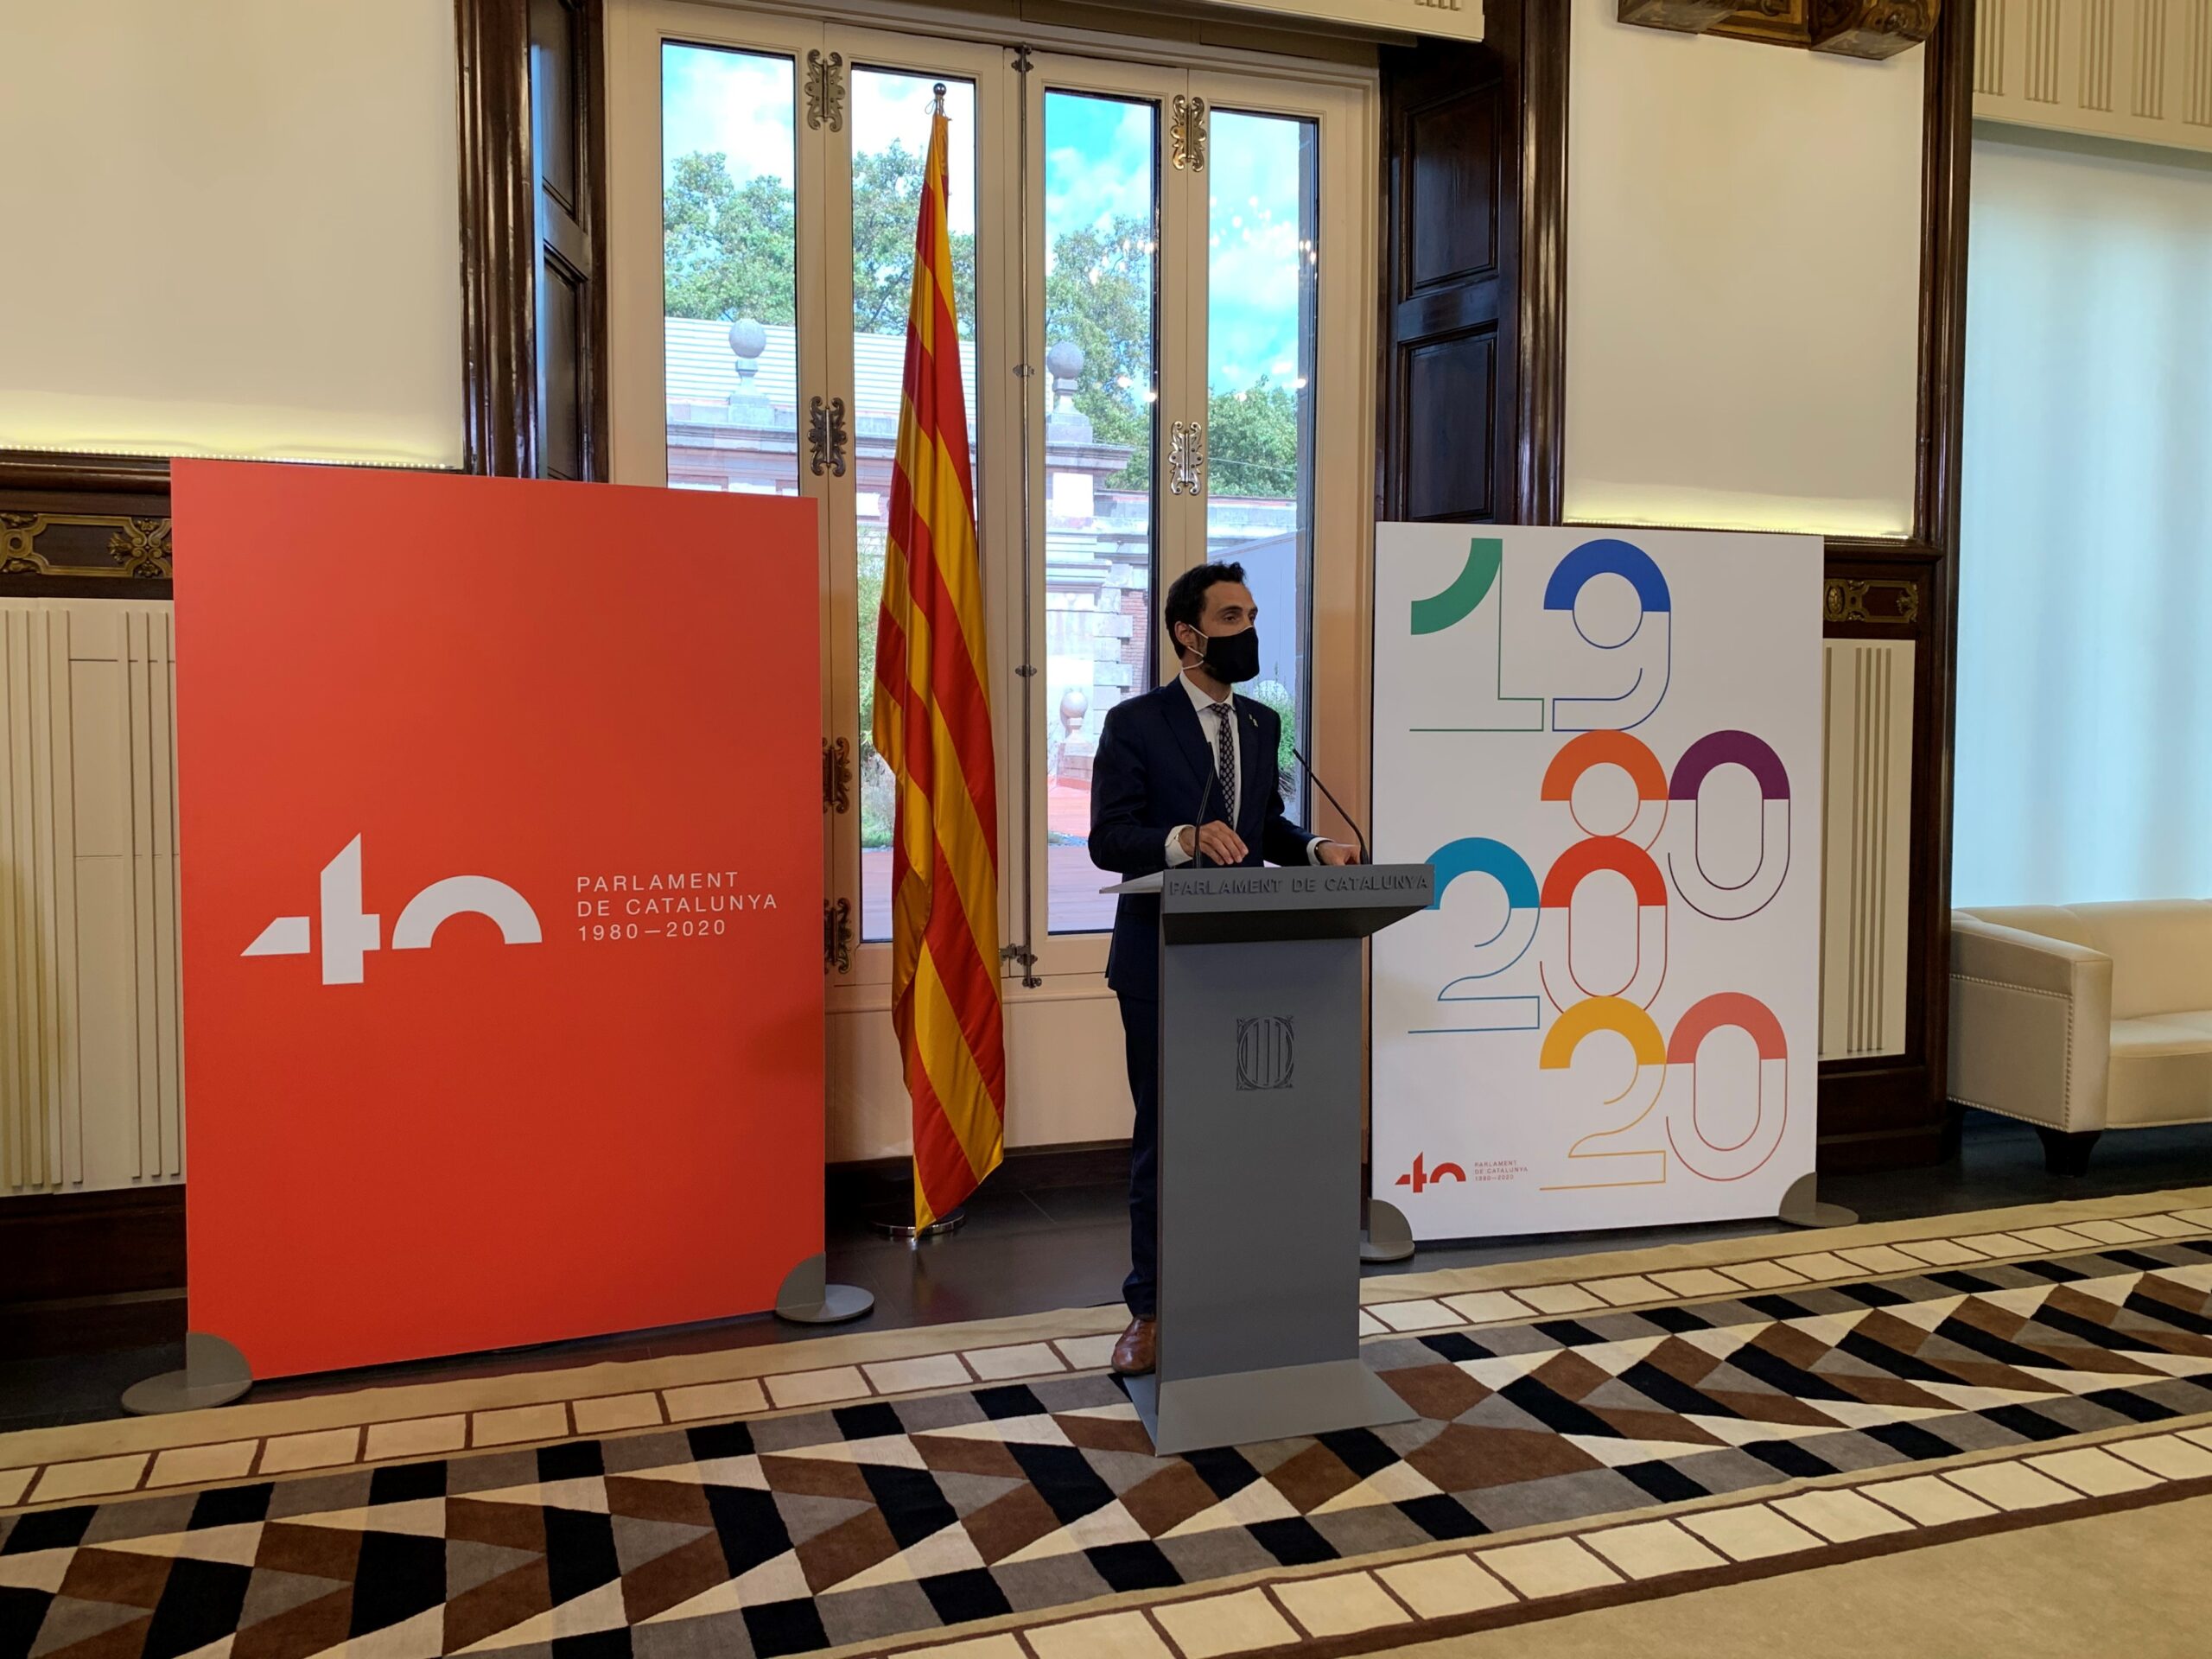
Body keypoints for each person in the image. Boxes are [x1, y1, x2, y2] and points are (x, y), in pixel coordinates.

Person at [1087, 562, 1358, 1376]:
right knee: (1166, 1138)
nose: (1249, 631)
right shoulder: (1135, 722)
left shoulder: (1262, 726)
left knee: (1245, 1132)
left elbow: (1262, 823)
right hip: (1158, 960)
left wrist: (1315, 849)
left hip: (1243, 954)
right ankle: (1152, 1309)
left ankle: (1245, 1288)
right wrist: (1184, 837)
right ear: (1188, 633)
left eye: (1251, 616)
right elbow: (1109, 838)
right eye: (1232, 617)